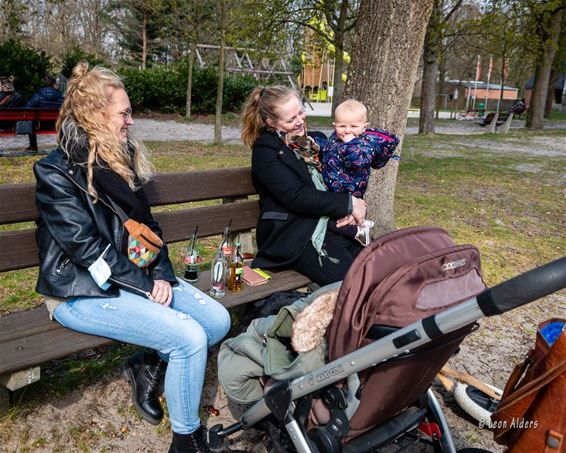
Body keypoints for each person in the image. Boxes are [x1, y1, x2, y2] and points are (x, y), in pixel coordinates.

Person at [33, 62, 230, 453]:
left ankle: (147, 367)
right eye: (124, 112)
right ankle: (186, 440)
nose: (131, 120)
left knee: (218, 320)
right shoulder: (56, 173)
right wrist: (145, 285)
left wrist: (160, 272)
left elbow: (148, 226)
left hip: (132, 276)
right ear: (94, 114)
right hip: (79, 292)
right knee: (188, 338)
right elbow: (87, 249)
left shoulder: (119, 158)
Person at [241, 85, 367, 286]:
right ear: (271, 122)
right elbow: (297, 196)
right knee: (351, 284)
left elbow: (342, 177)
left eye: (300, 112)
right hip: (295, 237)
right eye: (291, 119)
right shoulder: (266, 151)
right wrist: (349, 203)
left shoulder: (315, 141)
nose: (300, 121)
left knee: (375, 269)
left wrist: (352, 210)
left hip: (331, 226)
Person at [314, 99, 400, 244]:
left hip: (350, 190)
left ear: (364, 127)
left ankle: (361, 231)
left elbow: (360, 160)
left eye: (354, 126)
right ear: (335, 125)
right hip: (333, 187)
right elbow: (329, 148)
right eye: (342, 126)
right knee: (336, 219)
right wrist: (317, 144)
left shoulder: (364, 145)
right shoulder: (336, 138)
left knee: (344, 219)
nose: (347, 130)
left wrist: (350, 145)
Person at [24, 75, 64, 151]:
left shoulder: (38, 95)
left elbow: (27, 108)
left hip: (39, 125)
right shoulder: (61, 97)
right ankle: (62, 145)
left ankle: (33, 146)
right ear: (53, 84)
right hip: (56, 125)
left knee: (31, 119)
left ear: (44, 84)